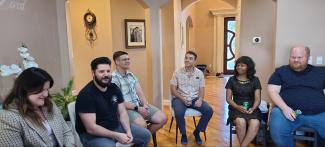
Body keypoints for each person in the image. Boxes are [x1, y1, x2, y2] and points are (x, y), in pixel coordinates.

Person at [75, 57, 151, 147]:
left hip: (115, 126)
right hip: (93, 135)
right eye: (101, 71)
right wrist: (117, 135)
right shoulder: (86, 95)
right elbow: (91, 128)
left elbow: (122, 112)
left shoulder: (114, 88)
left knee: (146, 135)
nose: (106, 74)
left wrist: (128, 131)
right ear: (93, 73)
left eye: (108, 71)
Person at [0, 67, 75, 146]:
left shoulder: (49, 104)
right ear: (25, 90)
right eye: (41, 90)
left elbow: (66, 132)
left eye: (47, 90)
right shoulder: (8, 117)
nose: (46, 94)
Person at [268, 45, 325, 147]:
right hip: (288, 112)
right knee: (277, 126)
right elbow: (272, 91)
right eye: (293, 57)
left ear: (308, 57)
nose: (295, 60)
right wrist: (285, 108)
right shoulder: (281, 72)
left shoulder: (320, 73)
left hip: (319, 113)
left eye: (299, 57)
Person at [112, 51, 167, 134]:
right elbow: (119, 102)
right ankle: (142, 137)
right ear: (117, 62)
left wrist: (145, 105)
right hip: (126, 109)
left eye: (128, 59)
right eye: (124, 59)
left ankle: (143, 137)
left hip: (139, 105)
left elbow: (140, 92)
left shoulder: (131, 75)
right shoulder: (113, 78)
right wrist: (138, 109)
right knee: (142, 125)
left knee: (163, 118)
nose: (128, 61)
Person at [170, 51, 214, 145]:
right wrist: (182, 99)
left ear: (194, 61)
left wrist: (200, 99)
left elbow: (201, 89)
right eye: (186, 58)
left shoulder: (199, 73)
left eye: (190, 58)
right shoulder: (177, 72)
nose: (187, 60)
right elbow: (173, 90)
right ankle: (183, 134)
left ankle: (197, 131)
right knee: (179, 112)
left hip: (194, 99)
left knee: (209, 110)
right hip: (180, 98)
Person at [225, 56, 261, 147]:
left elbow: (257, 99)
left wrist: (253, 108)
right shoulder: (232, 80)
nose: (239, 67)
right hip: (236, 108)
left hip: (251, 109)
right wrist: (237, 107)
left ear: (248, 67)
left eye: (242, 65)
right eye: (238, 65)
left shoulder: (255, 80)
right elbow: (228, 99)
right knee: (241, 122)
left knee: (255, 123)